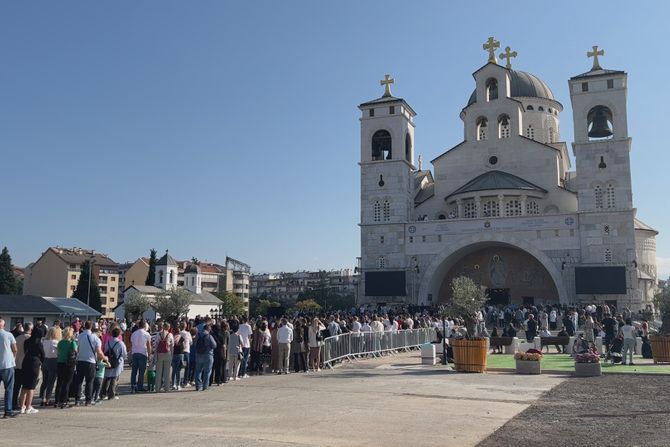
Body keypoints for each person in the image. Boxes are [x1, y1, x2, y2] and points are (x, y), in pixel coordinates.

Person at [75, 321, 108, 406]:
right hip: (90, 361)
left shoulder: (80, 336)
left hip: (80, 360)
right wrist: (105, 359)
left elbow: (77, 349)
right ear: (92, 327)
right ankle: (88, 400)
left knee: (79, 381)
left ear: (84, 326)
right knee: (89, 381)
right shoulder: (95, 338)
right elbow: (99, 352)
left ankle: (77, 400)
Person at [19, 326, 45, 414]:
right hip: (35, 363)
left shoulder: (27, 341)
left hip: (25, 362)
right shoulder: (39, 343)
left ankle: (22, 406)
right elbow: (43, 355)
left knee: (24, 386)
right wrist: (41, 362)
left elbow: (25, 350)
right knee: (31, 387)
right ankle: (28, 406)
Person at [55, 327, 77, 409]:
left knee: (59, 382)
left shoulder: (60, 342)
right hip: (69, 364)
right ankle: (64, 401)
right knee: (67, 383)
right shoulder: (72, 343)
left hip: (60, 362)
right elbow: (76, 351)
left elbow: (58, 352)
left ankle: (57, 400)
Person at [102, 326, 126, 400]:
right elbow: (124, 354)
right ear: (119, 334)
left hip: (109, 361)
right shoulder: (121, 343)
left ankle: (103, 393)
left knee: (107, 378)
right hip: (117, 362)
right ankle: (111, 394)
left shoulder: (108, 342)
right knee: (114, 378)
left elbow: (105, 351)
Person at [39, 325, 61, 407]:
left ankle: (42, 398)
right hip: (53, 361)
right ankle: (47, 399)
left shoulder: (44, 341)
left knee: (44, 381)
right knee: (51, 382)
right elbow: (59, 353)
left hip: (45, 360)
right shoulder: (56, 342)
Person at [0, 319, 17, 418]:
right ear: (4, 325)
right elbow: (15, 349)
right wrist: (12, 358)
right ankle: (8, 411)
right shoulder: (8, 335)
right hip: (7, 364)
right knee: (9, 389)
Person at [12, 322, 31, 411]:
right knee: (26, 386)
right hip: (26, 365)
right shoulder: (30, 339)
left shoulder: (17, 338)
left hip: (17, 364)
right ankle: (24, 403)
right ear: (30, 329)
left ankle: (13, 403)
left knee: (16, 386)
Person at [130, 320, 152, 393]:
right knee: (141, 371)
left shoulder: (134, 334)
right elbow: (148, 346)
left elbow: (131, 343)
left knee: (134, 371)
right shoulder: (146, 334)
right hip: (143, 353)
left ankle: (133, 386)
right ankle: (140, 386)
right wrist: (149, 355)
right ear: (144, 326)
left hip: (135, 352)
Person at [194, 324, 216, 391]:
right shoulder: (209, 336)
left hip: (199, 354)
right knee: (207, 371)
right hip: (208, 355)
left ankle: (198, 386)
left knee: (198, 371)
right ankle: (205, 386)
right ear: (208, 329)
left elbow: (195, 343)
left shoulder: (198, 335)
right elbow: (214, 345)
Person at [154, 322, 174, 393]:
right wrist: (172, 355)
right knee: (167, 372)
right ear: (168, 327)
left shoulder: (158, 334)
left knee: (158, 372)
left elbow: (155, 345)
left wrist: (155, 355)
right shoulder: (170, 335)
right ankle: (166, 388)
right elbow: (172, 346)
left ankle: (157, 388)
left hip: (159, 354)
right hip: (167, 354)